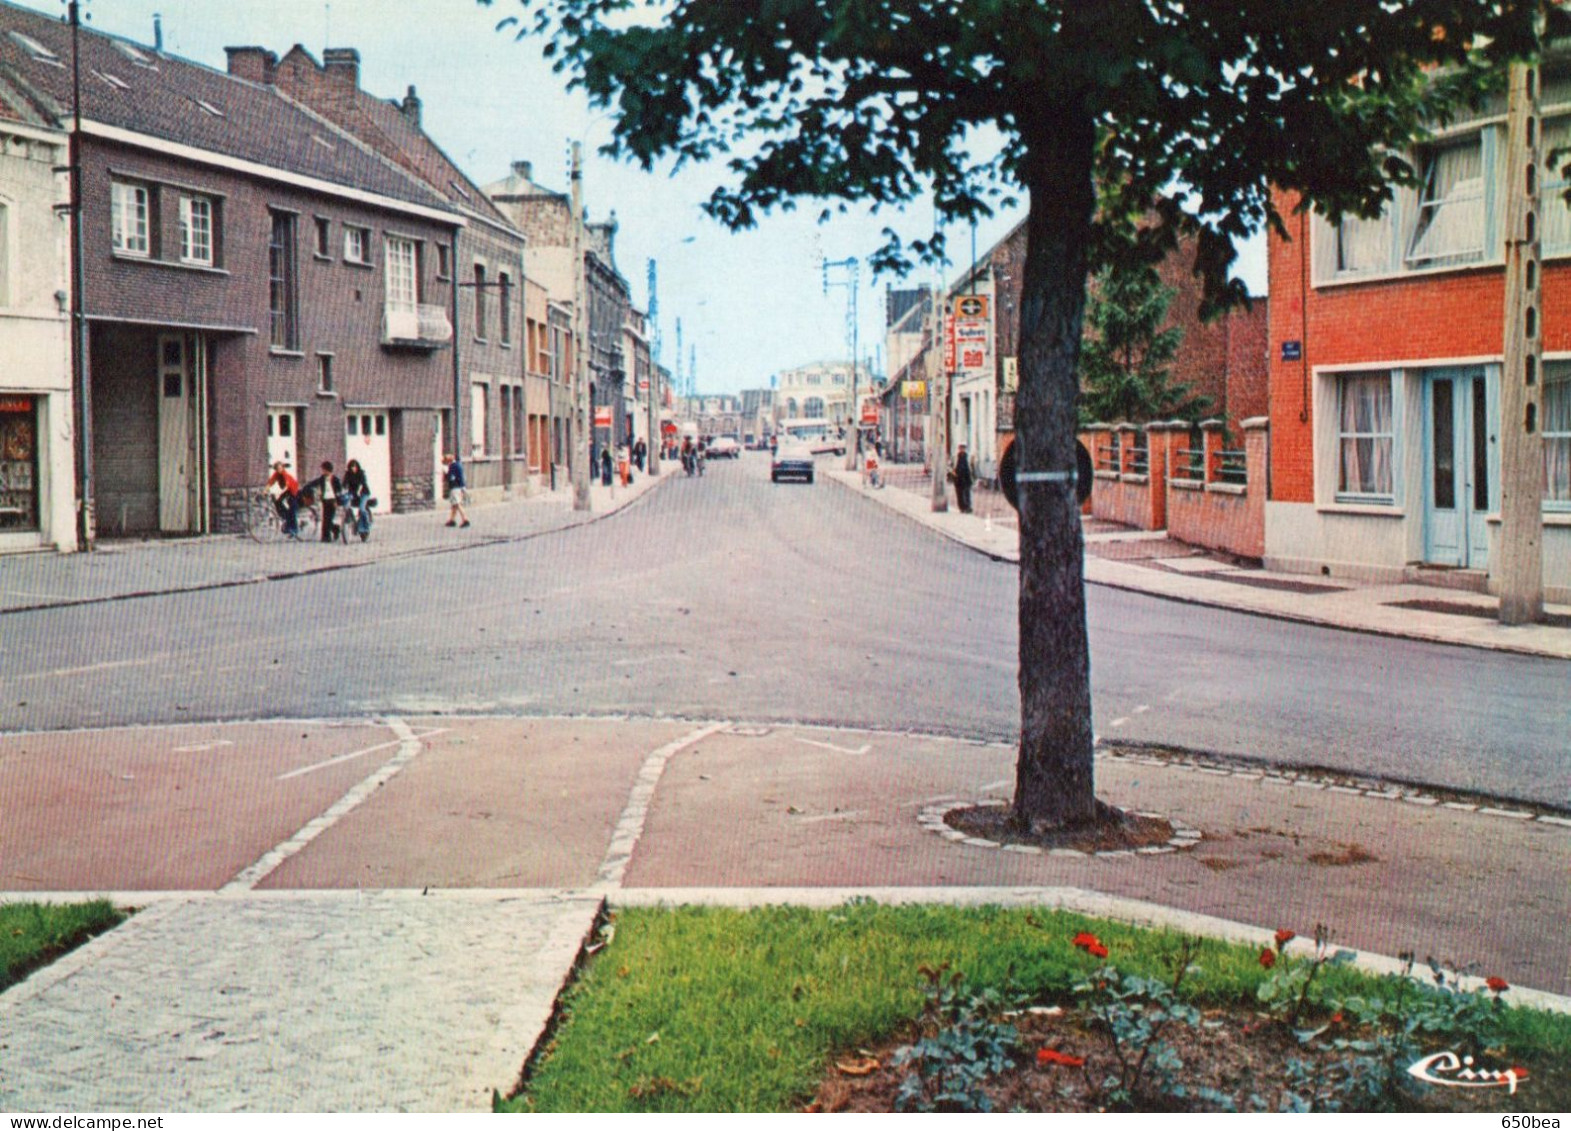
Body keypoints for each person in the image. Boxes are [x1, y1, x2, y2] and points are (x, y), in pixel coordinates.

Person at [302, 461, 344, 542]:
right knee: (325, 519)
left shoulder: (335, 480)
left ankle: (329, 536)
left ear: (328, 470)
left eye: (323, 469)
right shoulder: (322, 479)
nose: (322, 471)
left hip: (333, 501)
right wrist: (306, 488)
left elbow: (339, 491)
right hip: (325, 500)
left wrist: (336, 501)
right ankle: (332, 532)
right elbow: (312, 483)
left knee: (329, 519)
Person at [266, 460, 301, 537]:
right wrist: (265, 490)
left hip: (293, 491)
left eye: (280, 468)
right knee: (278, 502)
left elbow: (287, 485)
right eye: (277, 469)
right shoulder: (276, 474)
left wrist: (279, 493)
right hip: (286, 490)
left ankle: (295, 529)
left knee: (292, 509)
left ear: (282, 467)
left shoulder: (285, 474)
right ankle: (286, 519)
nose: (279, 470)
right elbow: (271, 482)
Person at [341, 458, 372, 540]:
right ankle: (348, 521)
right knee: (346, 504)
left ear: (357, 467)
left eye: (354, 467)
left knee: (362, 509)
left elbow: (363, 483)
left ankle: (365, 527)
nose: (353, 468)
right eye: (351, 467)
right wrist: (342, 491)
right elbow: (344, 484)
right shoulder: (348, 474)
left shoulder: (361, 474)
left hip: (363, 493)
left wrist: (359, 491)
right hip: (353, 493)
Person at [444, 452, 470, 527]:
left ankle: (465, 520)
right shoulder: (457, 465)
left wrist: (446, 473)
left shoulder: (454, 466)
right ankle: (452, 520)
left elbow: (452, 477)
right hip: (457, 487)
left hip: (455, 488)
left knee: (457, 504)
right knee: (454, 505)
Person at [954, 443, 974, 514]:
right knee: (959, 494)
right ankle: (962, 507)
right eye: (961, 448)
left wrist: (971, 477)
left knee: (967, 493)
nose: (962, 449)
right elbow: (953, 467)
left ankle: (968, 507)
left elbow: (970, 467)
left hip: (966, 478)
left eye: (963, 448)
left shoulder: (967, 457)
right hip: (958, 479)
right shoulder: (956, 457)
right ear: (959, 449)